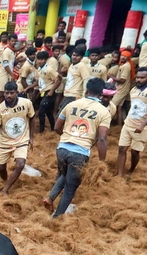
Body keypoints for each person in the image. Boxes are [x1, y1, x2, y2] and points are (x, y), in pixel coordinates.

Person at [43, 78, 111, 217]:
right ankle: (57, 217)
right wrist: (101, 161)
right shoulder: (104, 112)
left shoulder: (72, 104)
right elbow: (102, 138)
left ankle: (50, 197)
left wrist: (68, 138)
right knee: (71, 187)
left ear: (86, 90)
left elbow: (56, 127)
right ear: (102, 94)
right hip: (80, 153)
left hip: (61, 148)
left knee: (65, 174)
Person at [116, 67, 147, 177]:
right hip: (128, 124)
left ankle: (131, 169)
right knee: (122, 149)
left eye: (142, 78)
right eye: (137, 77)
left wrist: (142, 125)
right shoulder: (133, 90)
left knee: (135, 152)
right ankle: (119, 174)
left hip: (142, 127)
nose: (139, 80)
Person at [0, 81, 35, 196]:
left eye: (12, 93)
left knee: (20, 164)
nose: (9, 96)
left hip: (21, 140)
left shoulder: (26, 103)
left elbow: (32, 118)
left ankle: (5, 189)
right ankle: (5, 181)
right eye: (7, 93)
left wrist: (31, 137)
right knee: (2, 168)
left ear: (17, 93)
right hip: (5, 141)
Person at [36, 50, 60, 133]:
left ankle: (41, 131)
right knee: (48, 111)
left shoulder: (49, 69)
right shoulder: (39, 69)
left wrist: (52, 90)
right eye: (38, 59)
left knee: (41, 111)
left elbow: (58, 80)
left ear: (45, 60)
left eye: (42, 59)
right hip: (43, 91)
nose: (40, 61)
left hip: (49, 92)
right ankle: (53, 128)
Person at [60, 46, 90, 111]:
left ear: (81, 57)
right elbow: (71, 79)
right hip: (67, 94)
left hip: (74, 95)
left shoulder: (82, 66)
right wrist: (62, 78)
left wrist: (83, 96)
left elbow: (86, 80)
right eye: (73, 55)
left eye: (77, 56)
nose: (74, 57)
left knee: (62, 116)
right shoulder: (72, 65)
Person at [110, 49, 134, 126]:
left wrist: (112, 77)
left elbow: (122, 80)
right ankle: (119, 125)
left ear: (128, 58)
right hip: (122, 89)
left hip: (121, 90)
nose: (123, 57)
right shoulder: (124, 65)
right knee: (119, 108)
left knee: (111, 106)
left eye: (125, 56)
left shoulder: (126, 66)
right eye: (122, 55)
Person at [0, 34, 17, 112]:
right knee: (1, 92)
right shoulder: (6, 51)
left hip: (8, 73)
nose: (13, 42)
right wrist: (12, 74)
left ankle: (2, 109)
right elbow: (6, 65)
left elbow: (11, 63)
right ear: (8, 41)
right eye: (12, 41)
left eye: (15, 41)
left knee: (5, 93)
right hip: (3, 72)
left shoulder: (12, 51)